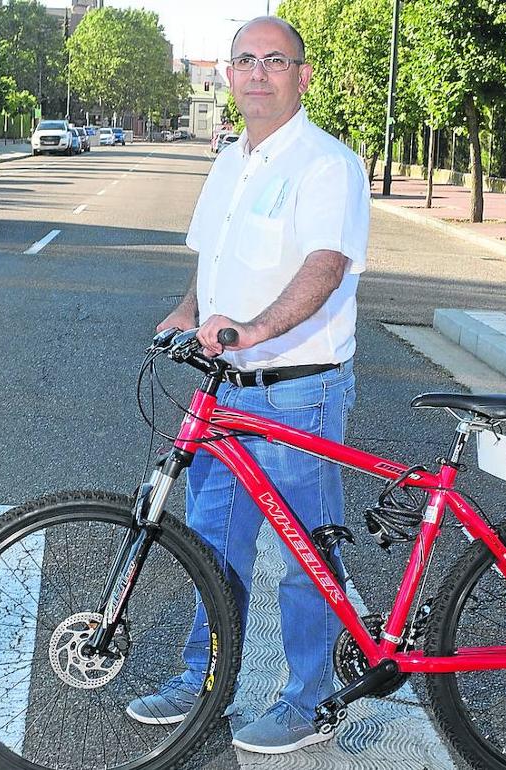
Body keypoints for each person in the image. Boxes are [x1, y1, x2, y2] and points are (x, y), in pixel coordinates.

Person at [126, 15, 370, 755]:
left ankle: (309, 699)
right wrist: (188, 310)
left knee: (306, 558)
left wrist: (258, 328)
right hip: (226, 391)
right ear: (228, 76)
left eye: (275, 60)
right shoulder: (234, 159)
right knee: (214, 545)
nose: (258, 73)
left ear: (302, 75)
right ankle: (205, 678)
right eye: (245, 61)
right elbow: (215, 262)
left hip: (300, 389)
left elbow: (324, 266)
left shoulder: (328, 165)